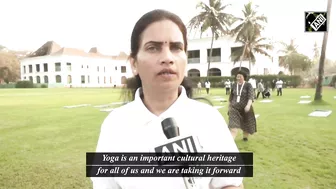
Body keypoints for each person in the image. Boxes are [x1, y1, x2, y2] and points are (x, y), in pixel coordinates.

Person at [91, 9, 244, 189]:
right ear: (134, 63)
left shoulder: (209, 119)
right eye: (153, 48)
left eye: (176, 47)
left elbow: (230, 184)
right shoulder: (115, 125)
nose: (167, 58)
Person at [228, 70, 257, 141]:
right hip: (234, 108)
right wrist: (229, 106)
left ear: (244, 77)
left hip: (245, 108)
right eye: (237, 77)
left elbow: (250, 96)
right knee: (233, 125)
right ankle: (231, 142)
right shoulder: (234, 85)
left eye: (240, 76)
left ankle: (245, 137)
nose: (238, 78)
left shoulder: (248, 85)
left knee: (246, 123)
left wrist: (248, 105)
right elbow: (231, 97)